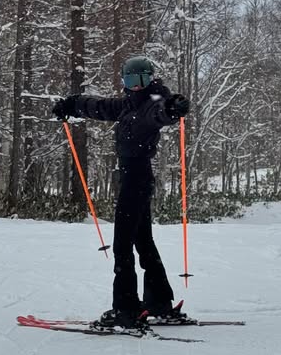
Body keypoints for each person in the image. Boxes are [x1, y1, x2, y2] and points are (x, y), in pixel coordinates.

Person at [52, 55, 190, 330]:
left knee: (123, 246)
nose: (136, 86)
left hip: (136, 180)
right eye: (130, 80)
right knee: (144, 243)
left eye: (141, 80)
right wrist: (71, 104)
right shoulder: (129, 105)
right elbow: (100, 107)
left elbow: (162, 112)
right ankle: (159, 304)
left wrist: (173, 108)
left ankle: (126, 310)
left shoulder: (152, 104)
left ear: (150, 79)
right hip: (133, 179)